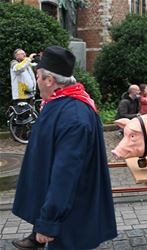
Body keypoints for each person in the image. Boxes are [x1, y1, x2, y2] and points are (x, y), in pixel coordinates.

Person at [11, 46, 117, 249]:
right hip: (65, 213)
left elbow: (66, 174)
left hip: (70, 219)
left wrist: (49, 222)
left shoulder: (73, 115)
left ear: (49, 80)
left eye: (38, 77)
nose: (37, 82)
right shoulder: (61, 102)